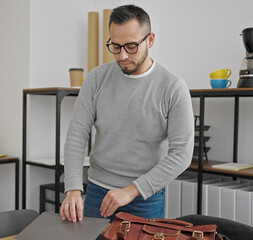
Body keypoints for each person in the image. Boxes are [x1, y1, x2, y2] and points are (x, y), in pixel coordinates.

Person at [60, 4, 194, 222]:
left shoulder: (173, 88)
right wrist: (73, 188)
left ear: (150, 40)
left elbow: (181, 155)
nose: (122, 55)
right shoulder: (96, 79)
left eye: (131, 46)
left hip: (145, 198)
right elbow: (76, 135)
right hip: (97, 192)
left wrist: (131, 190)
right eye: (116, 46)